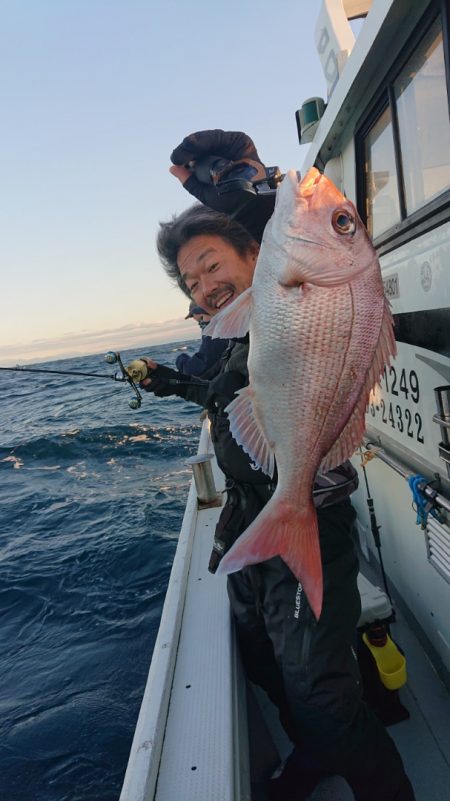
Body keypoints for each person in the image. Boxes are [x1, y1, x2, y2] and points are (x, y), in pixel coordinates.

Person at [140, 131, 415, 801]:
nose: (204, 285)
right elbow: (220, 385)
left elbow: (283, 217)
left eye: (212, 265)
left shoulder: (285, 284)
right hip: (248, 515)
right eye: (192, 280)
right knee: (261, 657)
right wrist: (169, 382)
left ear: (257, 255)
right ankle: (316, 753)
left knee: (320, 692)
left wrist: (243, 177)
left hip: (307, 509)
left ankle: (377, 781)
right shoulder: (232, 326)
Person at [175, 298, 229, 376]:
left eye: (201, 321)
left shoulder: (216, 333)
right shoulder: (230, 327)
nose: (201, 326)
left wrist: (180, 359)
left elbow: (196, 370)